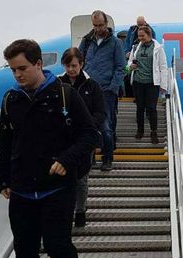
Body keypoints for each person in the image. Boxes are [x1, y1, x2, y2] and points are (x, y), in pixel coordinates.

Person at [0, 39, 98, 258]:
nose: (18, 75)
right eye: (13, 70)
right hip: (22, 189)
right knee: (25, 251)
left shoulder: (65, 95)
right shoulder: (10, 100)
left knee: (56, 244)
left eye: (23, 68)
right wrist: (2, 178)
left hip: (57, 188)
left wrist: (68, 159)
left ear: (39, 64)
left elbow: (90, 134)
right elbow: (5, 141)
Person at [59, 48, 106, 227]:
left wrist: (87, 126)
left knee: (81, 178)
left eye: (74, 65)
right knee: (63, 178)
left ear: (81, 64)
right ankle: (65, 212)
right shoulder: (57, 84)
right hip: (63, 139)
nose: (70, 69)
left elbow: (100, 113)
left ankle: (80, 211)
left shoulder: (92, 86)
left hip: (84, 139)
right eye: (67, 66)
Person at [79, 10, 125, 171]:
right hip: (87, 90)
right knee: (87, 126)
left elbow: (121, 68)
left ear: (106, 24)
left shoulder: (115, 43)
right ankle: (90, 157)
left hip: (106, 91)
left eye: (101, 25)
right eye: (95, 25)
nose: (98, 28)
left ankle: (107, 158)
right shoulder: (86, 42)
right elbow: (79, 63)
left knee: (106, 128)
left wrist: (113, 88)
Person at [127, 25, 168, 144]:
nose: (140, 38)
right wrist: (130, 66)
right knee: (140, 108)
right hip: (138, 82)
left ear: (149, 35)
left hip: (152, 83)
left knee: (151, 108)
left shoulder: (158, 48)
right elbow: (129, 62)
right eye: (139, 36)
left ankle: (153, 132)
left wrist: (163, 85)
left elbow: (163, 67)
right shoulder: (135, 47)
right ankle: (140, 130)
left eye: (142, 36)